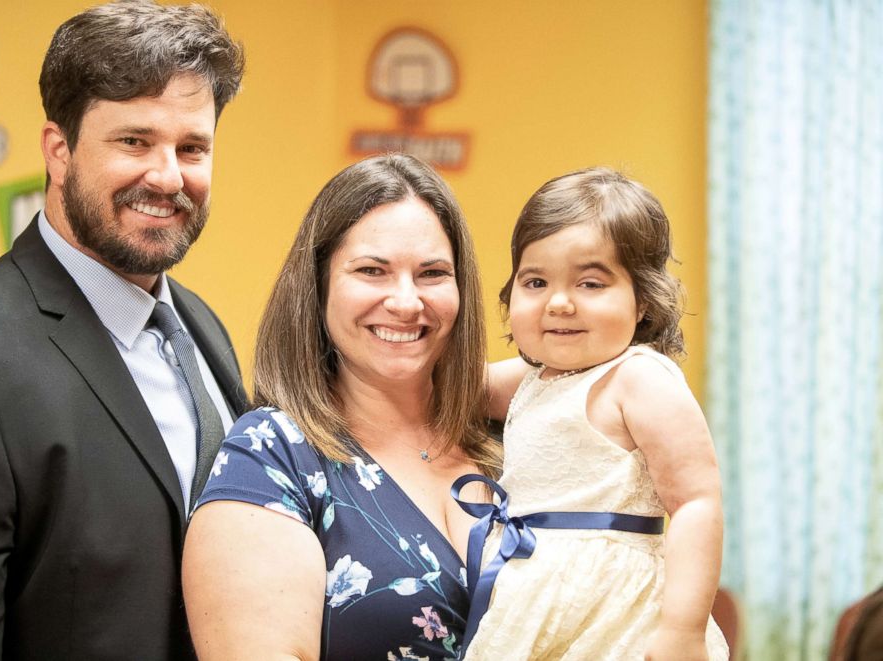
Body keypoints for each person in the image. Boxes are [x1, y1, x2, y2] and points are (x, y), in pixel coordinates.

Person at [0, 2, 248, 659]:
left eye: (191, 147)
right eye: (134, 141)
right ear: (59, 151)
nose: (168, 176)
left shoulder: (203, 327)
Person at [183, 153, 502, 660]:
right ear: (319, 286)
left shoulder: (510, 440)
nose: (405, 301)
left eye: (432, 273)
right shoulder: (273, 457)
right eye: (372, 270)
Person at [457, 167, 729, 660]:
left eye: (590, 283)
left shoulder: (637, 377)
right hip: (530, 602)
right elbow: (455, 386)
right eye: (535, 281)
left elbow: (695, 504)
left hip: (613, 612)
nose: (559, 303)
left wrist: (681, 630)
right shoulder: (535, 377)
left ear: (643, 299)